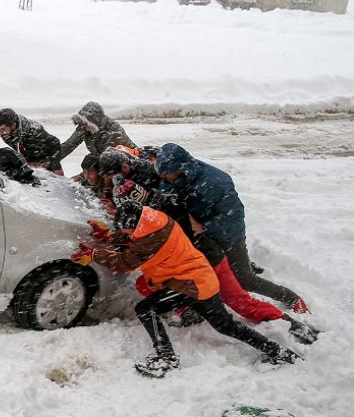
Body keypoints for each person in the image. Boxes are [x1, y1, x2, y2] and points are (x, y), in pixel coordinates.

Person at [72, 201, 300, 377]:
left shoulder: (150, 238)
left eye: (129, 230)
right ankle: (278, 352)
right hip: (202, 279)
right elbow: (135, 242)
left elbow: (125, 262)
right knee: (226, 326)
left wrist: (94, 254)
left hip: (188, 285)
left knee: (145, 309)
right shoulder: (155, 220)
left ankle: (166, 357)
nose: (128, 234)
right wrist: (111, 235)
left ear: (137, 225)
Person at [155, 143, 309, 313]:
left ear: (179, 169)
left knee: (245, 280)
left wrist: (203, 226)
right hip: (203, 235)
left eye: (166, 173)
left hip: (228, 235)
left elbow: (234, 217)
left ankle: (290, 297)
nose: (163, 177)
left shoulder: (215, 182)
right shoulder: (175, 177)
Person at [0, 108, 64, 175]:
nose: (1, 133)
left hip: (43, 160)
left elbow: (55, 142)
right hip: (26, 159)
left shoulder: (34, 132)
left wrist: (55, 166)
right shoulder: (2, 126)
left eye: (3, 129)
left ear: (13, 125)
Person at [56, 101, 138, 161]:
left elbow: (107, 161)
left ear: (94, 123)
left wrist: (81, 176)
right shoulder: (84, 127)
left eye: (85, 124)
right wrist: (51, 160)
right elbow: (68, 145)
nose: (82, 127)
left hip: (128, 163)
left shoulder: (113, 132)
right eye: (81, 123)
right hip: (105, 162)